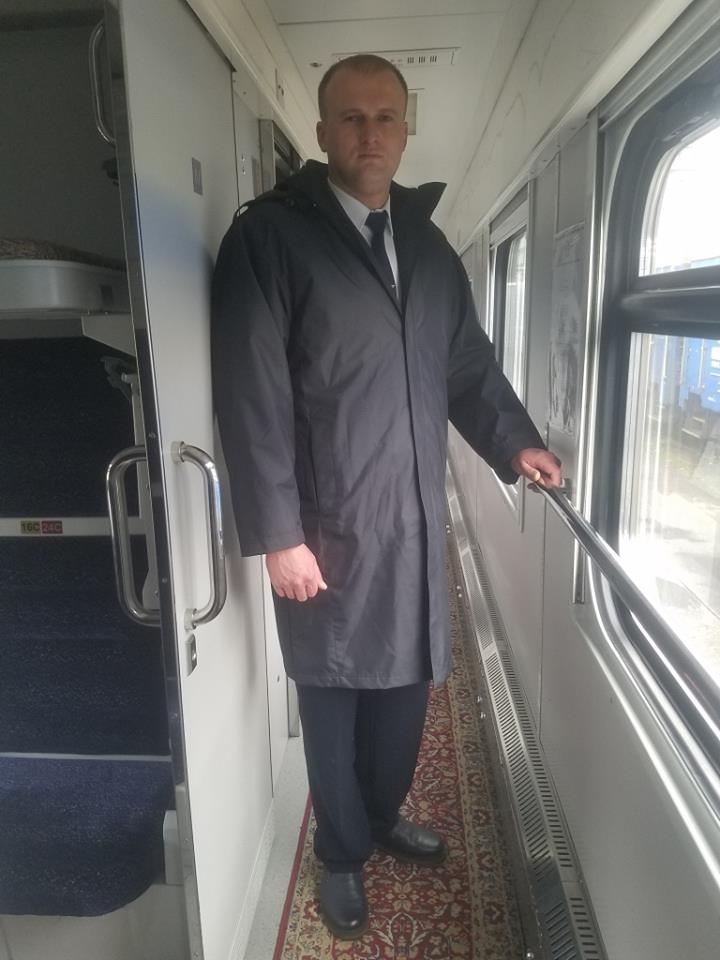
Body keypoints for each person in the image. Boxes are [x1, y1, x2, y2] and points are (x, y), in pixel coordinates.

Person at [211, 54, 561, 940]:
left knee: (405, 691)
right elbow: (252, 394)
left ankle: (378, 814)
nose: (370, 135)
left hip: (413, 517)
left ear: (406, 130)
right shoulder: (270, 238)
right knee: (333, 695)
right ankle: (340, 852)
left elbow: (466, 364)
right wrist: (278, 533)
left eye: (385, 118)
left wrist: (514, 441)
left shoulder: (428, 245)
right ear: (323, 132)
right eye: (352, 118)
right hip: (324, 525)